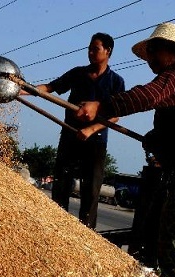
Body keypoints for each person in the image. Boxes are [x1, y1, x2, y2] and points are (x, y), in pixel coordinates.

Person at [76, 22, 175, 277]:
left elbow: (147, 96)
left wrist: (102, 105)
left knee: (173, 250)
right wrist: (157, 139)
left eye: (154, 51)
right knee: (159, 234)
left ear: (173, 51)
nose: (150, 60)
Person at [23, 33, 125, 229]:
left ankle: (86, 232)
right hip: (70, 135)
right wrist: (24, 89)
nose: (90, 52)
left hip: (95, 141)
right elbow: (51, 87)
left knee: (91, 189)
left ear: (108, 51)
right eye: (89, 48)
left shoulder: (115, 82)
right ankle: (55, 226)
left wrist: (91, 129)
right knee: (61, 184)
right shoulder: (78, 74)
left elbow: (115, 116)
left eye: (95, 49)